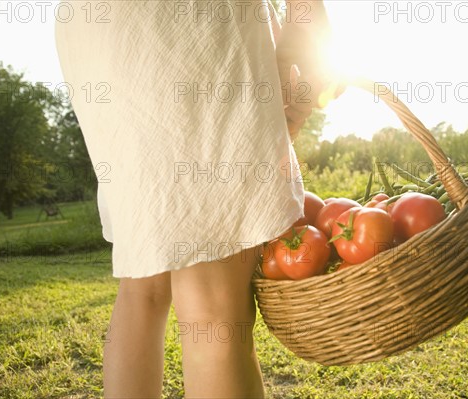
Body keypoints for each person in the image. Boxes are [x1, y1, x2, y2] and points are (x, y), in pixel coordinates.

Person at [54, 1, 335, 397]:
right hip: (191, 23)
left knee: (143, 287)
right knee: (212, 306)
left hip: (96, 28)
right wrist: (306, 26)